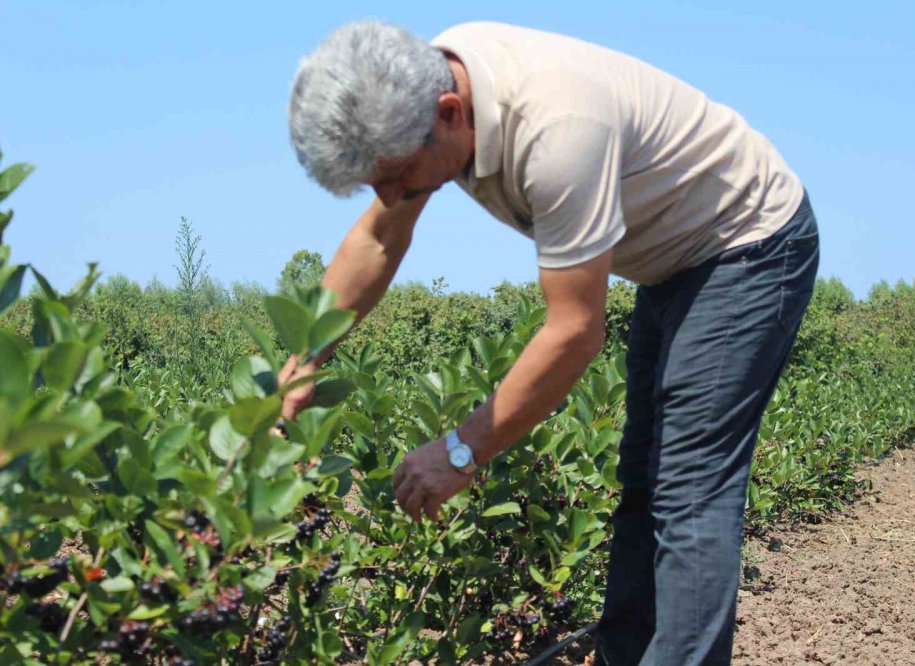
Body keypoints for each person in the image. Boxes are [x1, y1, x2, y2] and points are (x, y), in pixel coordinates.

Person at [281, 19, 819, 666]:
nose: (390, 196)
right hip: (670, 260)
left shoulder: (559, 130)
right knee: (644, 482)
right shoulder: (430, 88)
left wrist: (459, 453)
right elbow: (376, 240)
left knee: (691, 488)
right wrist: (302, 361)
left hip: (748, 243)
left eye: (396, 177)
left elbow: (573, 333)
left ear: (450, 114)